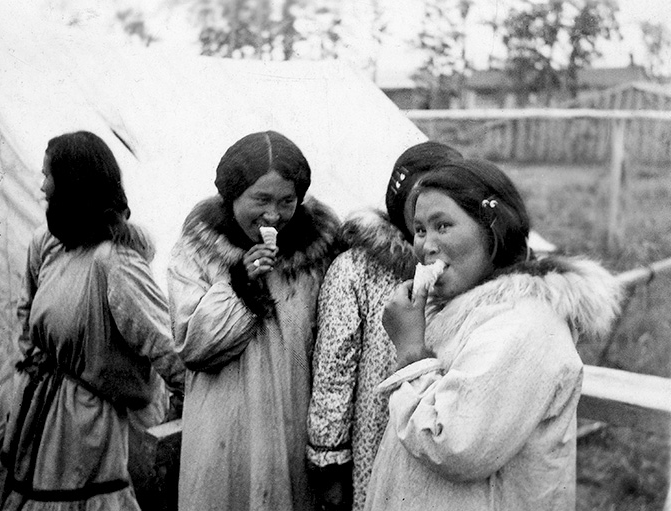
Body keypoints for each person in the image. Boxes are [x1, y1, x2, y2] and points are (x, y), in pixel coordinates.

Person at [363, 158, 624, 510]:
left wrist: (411, 351)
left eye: (443, 225)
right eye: (421, 230)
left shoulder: (524, 325)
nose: (426, 245)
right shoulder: (465, 308)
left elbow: (454, 444)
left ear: (494, 230)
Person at [0, 130, 185, 511]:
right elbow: (28, 314)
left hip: (86, 426)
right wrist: (32, 372)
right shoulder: (49, 246)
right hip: (37, 412)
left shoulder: (115, 263)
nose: (41, 186)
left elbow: (164, 343)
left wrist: (192, 404)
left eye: (48, 175)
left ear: (73, 184)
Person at [167, 130, 340, 511]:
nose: (273, 215)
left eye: (287, 201)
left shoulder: (320, 251)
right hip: (223, 433)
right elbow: (193, 347)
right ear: (231, 196)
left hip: (293, 431)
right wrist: (241, 286)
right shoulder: (198, 249)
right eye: (260, 199)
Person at [306, 141, 463, 511]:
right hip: (376, 435)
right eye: (418, 208)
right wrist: (329, 462)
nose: (430, 219)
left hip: (445, 437)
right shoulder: (357, 270)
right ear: (399, 206)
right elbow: (334, 370)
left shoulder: (464, 273)